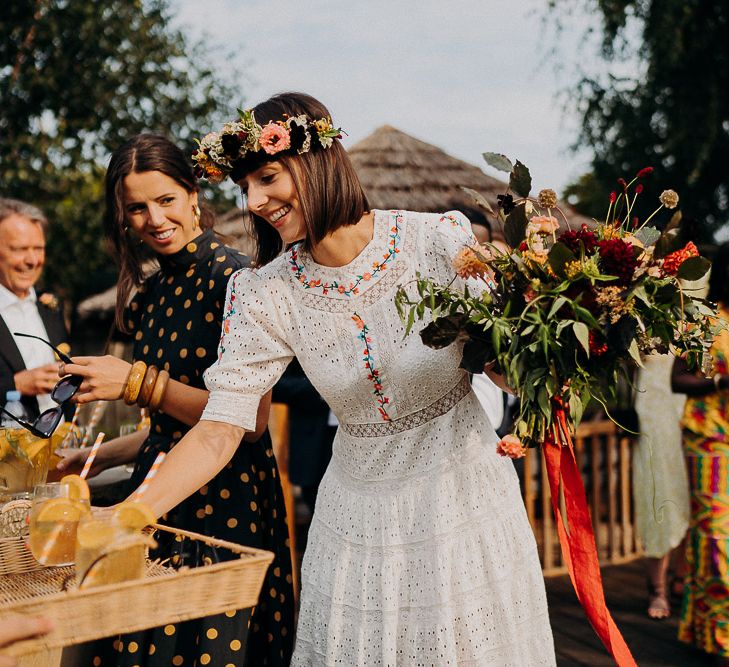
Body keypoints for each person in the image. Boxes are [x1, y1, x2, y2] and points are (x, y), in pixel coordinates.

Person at [120, 92, 555, 665]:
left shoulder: (437, 242)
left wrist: (557, 348)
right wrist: (131, 515)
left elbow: (503, 369)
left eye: (267, 177)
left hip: (463, 501)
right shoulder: (262, 292)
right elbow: (220, 429)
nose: (255, 201)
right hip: (356, 523)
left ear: (318, 158)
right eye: (244, 188)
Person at [57, 134, 294, 666]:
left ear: (193, 194)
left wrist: (138, 383)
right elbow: (171, 426)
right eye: (136, 207)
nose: (153, 219)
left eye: (165, 200)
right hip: (155, 499)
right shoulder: (151, 294)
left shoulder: (238, 280)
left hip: (227, 505)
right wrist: (93, 458)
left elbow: (250, 422)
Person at [672, 242, 729, 664]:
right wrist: (720, 384)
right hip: (710, 442)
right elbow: (679, 379)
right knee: (715, 536)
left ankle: (704, 629)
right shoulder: (707, 321)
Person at [0, 198, 72, 420]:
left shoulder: (50, 306)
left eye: (39, 248)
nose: (32, 260)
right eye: (20, 249)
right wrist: (15, 385)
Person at [634, 353, 689, 619]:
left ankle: (683, 577)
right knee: (661, 486)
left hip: (694, 397)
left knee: (694, 489)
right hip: (656, 399)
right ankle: (657, 587)